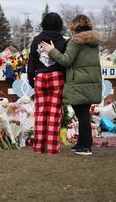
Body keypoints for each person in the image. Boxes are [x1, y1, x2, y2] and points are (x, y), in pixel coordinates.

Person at [40, 14, 102, 156]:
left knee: (82, 114)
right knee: (83, 113)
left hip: (79, 82)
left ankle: (85, 146)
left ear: (75, 26)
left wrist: (51, 50)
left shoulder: (76, 41)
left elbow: (66, 60)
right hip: (90, 81)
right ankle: (83, 142)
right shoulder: (93, 41)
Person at [27, 12, 67, 155]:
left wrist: (31, 78)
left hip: (39, 76)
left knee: (40, 112)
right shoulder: (62, 40)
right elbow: (64, 61)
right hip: (57, 76)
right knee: (54, 113)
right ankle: (51, 148)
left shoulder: (37, 39)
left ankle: (38, 147)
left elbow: (31, 59)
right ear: (59, 25)